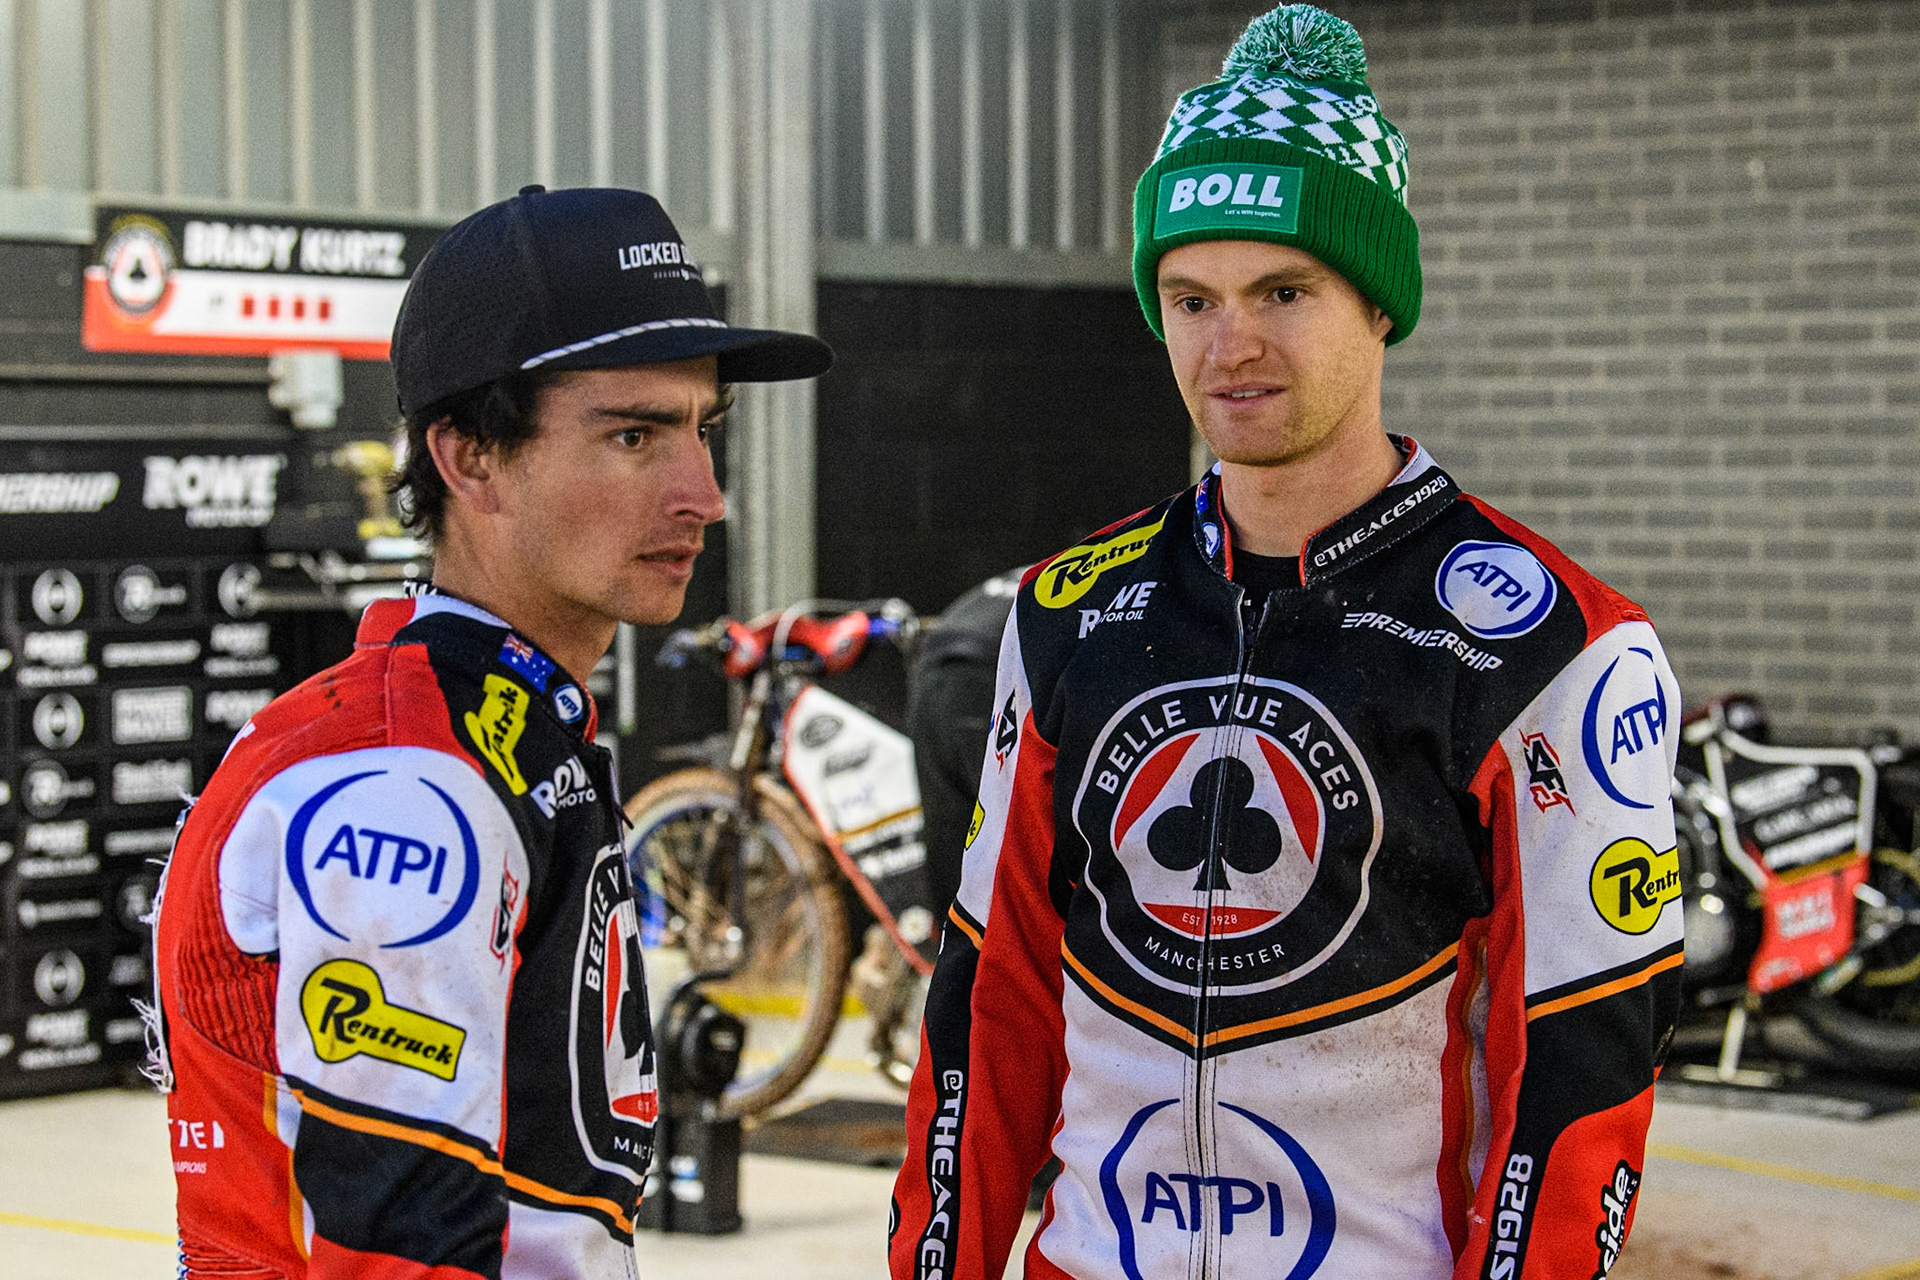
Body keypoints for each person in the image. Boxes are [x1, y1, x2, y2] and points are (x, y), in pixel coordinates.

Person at [889, 8, 1682, 1280]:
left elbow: (1580, 1067)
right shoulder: (1060, 616)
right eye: (1190, 296)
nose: (1230, 343)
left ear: (1378, 304)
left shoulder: (1556, 647)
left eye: (1283, 291)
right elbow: (992, 1011)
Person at [149, 186, 830, 1278]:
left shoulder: (496, 726)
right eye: (634, 434)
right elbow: (396, 1254)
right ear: (467, 456)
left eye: (702, 430)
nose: (704, 492)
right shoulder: (403, 779)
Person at [905, 567, 1024, 923]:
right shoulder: (1106, 579)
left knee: (948, 838)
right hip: (987, 676)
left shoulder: (1032, 575)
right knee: (1014, 845)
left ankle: (949, 968)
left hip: (931, 677)